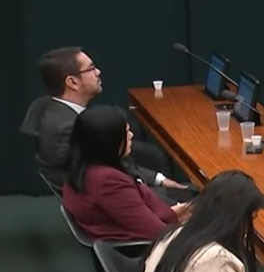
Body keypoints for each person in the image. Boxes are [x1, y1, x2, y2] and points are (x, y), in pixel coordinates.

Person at [18, 46, 187, 196]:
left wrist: (158, 179)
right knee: (195, 202)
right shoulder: (66, 128)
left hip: (115, 190)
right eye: (91, 69)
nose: (98, 72)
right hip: (115, 200)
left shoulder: (57, 112)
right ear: (72, 82)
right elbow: (106, 173)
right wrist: (154, 189)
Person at [61, 105, 188, 241]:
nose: (131, 135)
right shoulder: (107, 181)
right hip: (143, 246)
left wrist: (181, 211)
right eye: (126, 132)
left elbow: (134, 211)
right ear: (109, 141)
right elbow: (156, 232)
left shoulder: (82, 167)